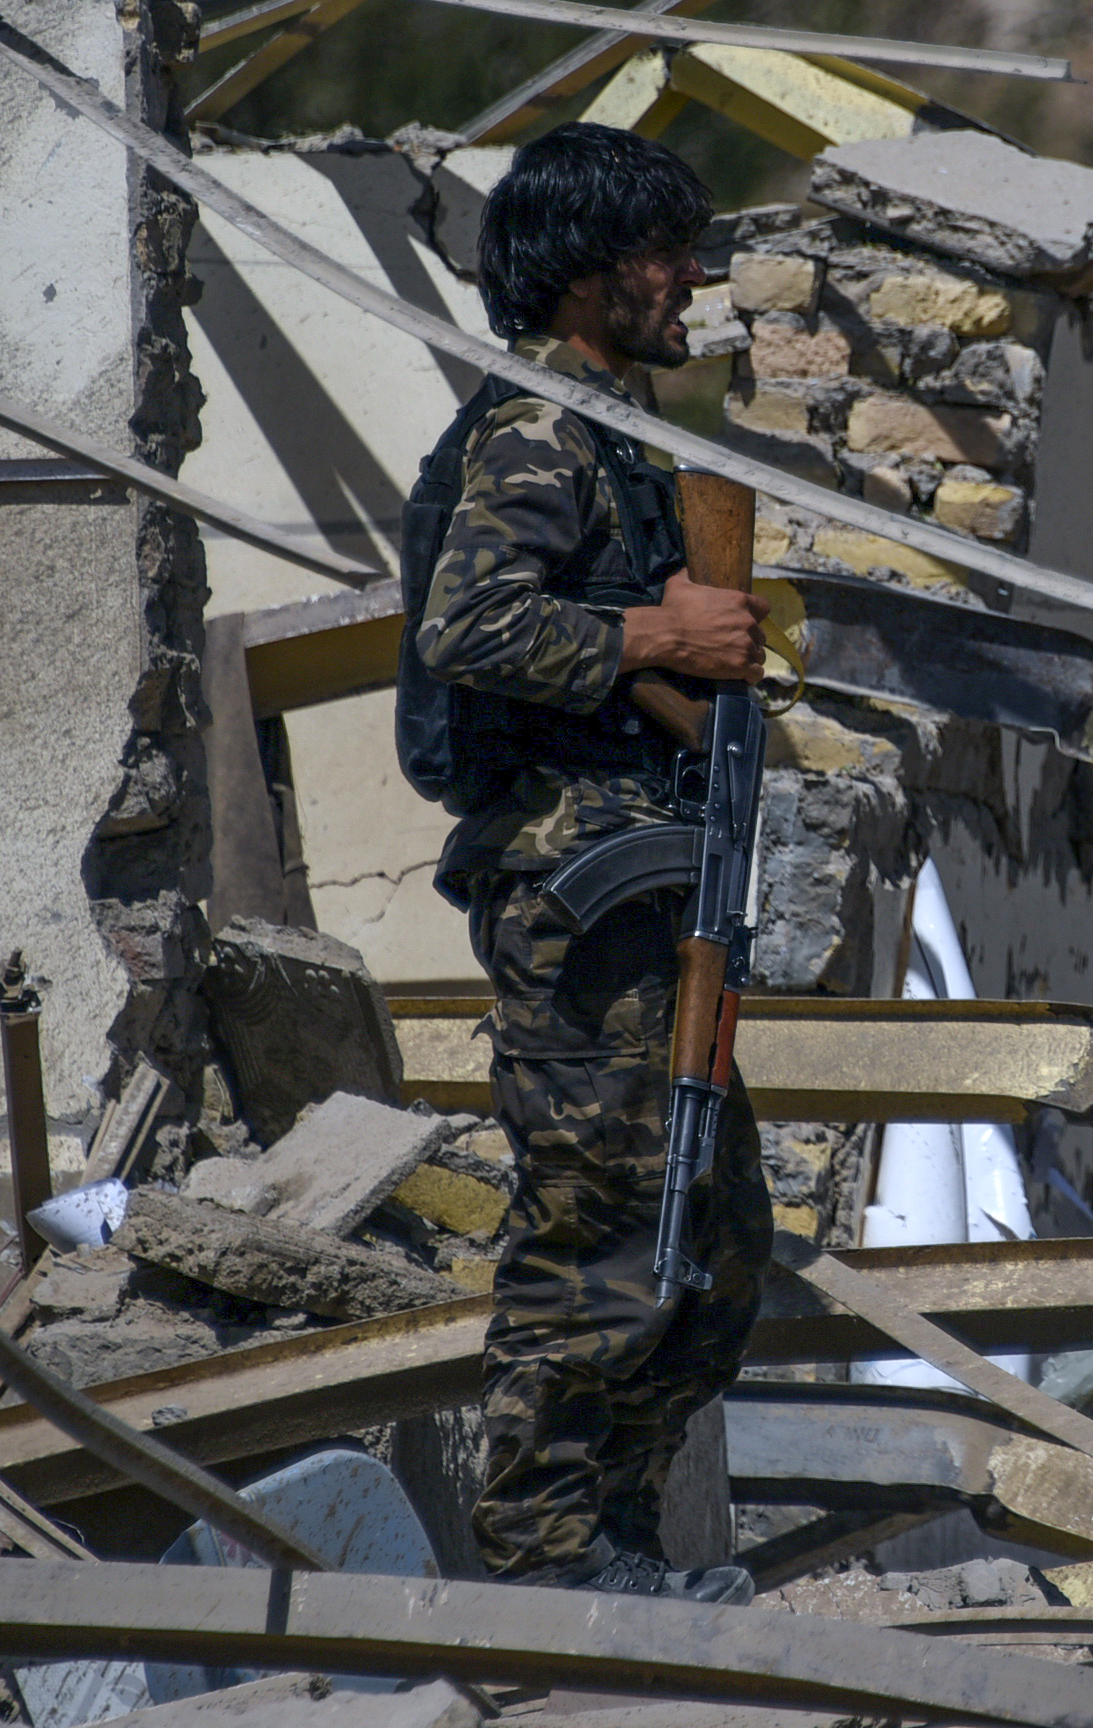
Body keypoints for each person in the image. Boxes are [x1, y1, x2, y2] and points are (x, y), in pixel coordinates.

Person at [404, 123, 773, 1601]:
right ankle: (548, 1570)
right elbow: (466, 628)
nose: (691, 277)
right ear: (584, 277)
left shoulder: (611, 436)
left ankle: (605, 1542)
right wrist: (656, 639)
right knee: (594, 1243)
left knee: (710, 1242)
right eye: (660, 253)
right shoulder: (536, 431)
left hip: (641, 893)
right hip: (572, 899)